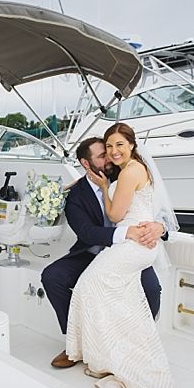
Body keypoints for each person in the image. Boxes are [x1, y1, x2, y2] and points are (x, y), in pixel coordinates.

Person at [64, 122, 187, 388]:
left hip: (136, 244)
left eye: (119, 144)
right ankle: (107, 349)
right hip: (127, 244)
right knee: (99, 289)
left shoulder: (130, 171)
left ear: (132, 144)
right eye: (108, 147)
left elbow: (116, 214)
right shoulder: (125, 172)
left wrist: (107, 189)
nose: (113, 152)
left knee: (88, 285)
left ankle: (114, 353)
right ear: (89, 161)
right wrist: (107, 185)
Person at [41, 136, 166, 370]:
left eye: (108, 152)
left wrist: (161, 228)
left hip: (131, 252)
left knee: (152, 290)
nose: (109, 158)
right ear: (86, 164)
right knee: (52, 276)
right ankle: (75, 344)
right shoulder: (76, 196)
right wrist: (125, 233)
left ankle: (133, 344)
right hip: (93, 252)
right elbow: (87, 233)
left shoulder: (125, 174)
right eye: (101, 155)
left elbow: (153, 208)